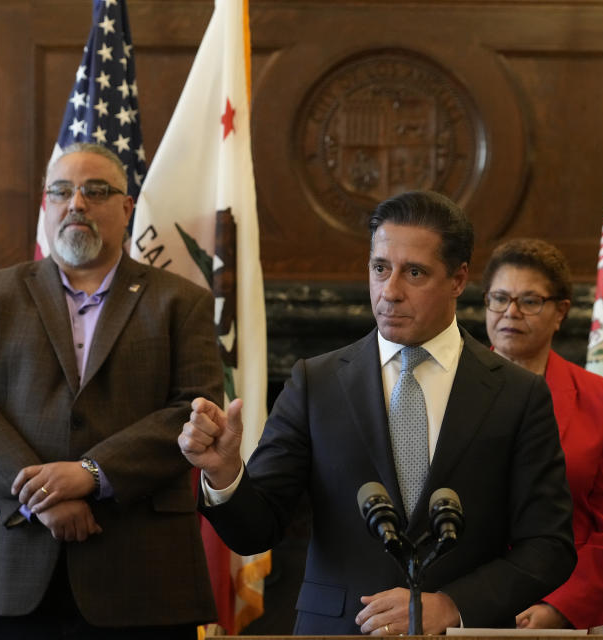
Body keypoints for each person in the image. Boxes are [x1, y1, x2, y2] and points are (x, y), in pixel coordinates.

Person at [179, 190, 576, 635]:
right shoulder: (317, 382)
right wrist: (225, 474)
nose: (390, 291)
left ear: (459, 279)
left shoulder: (517, 394)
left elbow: (549, 545)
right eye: (380, 268)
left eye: (414, 273)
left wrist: (452, 605)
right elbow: (257, 530)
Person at [0, 142, 220, 638]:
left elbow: (192, 412)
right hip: (8, 559)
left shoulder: (183, 302)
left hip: (141, 569)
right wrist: (42, 493)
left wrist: (90, 474)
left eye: (96, 191)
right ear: (46, 205)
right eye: (62, 191)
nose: (77, 204)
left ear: (127, 208)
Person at [482, 238, 603, 630]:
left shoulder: (598, 397)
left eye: (529, 301)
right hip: (474, 604)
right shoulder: (448, 389)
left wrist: (561, 607)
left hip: (575, 607)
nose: (510, 313)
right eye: (499, 298)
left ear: (560, 312)